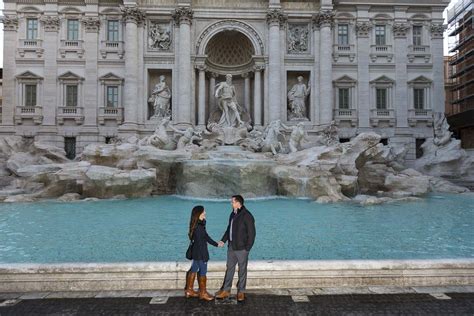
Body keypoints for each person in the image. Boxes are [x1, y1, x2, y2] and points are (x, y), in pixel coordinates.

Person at [215, 195, 256, 302]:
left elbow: (252, 234)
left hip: (242, 248)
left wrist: (247, 248)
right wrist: (223, 240)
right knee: (229, 269)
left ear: (238, 203)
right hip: (231, 247)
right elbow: (229, 229)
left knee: (242, 270)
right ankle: (226, 290)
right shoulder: (232, 214)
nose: (231, 203)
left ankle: (241, 291)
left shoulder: (247, 215)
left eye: (232, 202)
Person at [185, 205, 222, 301]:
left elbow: (205, 237)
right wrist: (205, 257)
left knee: (193, 269)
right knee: (203, 272)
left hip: (196, 253)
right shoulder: (199, 227)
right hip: (201, 254)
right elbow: (203, 241)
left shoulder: (196, 224)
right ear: (199, 214)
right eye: (203, 212)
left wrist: (216, 244)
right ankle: (203, 293)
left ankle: (189, 290)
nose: (205, 213)